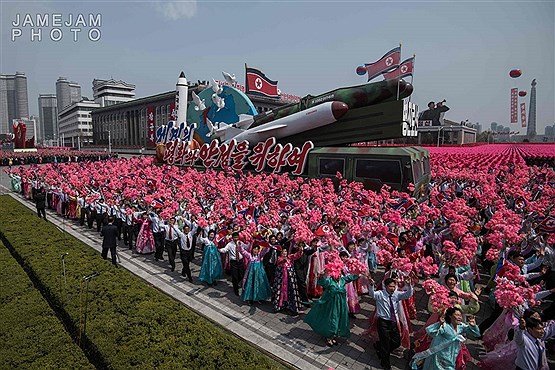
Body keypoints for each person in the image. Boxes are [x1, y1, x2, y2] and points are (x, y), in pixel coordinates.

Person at [303, 269, 359, 347]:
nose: (339, 276)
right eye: (337, 275)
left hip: (341, 304)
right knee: (332, 319)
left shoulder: (343, 280)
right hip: (331, 304)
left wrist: (359, 272)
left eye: (339, 274)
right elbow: (322, 282)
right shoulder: (329, 281)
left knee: (338, 319)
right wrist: (321, 276)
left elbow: (351, 277)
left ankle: (333, 335)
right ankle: (328, 336)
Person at [411, 307, 480, 370]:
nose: (460, 317)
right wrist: (439, 324)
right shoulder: (445, 326)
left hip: (452, 353)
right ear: (450, 316)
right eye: (457, 315)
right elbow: (430, 331)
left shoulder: (461, 326)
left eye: (460, 315)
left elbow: (476, 334)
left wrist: (473, 326)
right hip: (439, 353)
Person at [369, 277, 414, 370]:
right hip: (383, 322)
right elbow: (372, 294)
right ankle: (385, 364)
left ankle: (380, 347)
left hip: (393, 322)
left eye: (394, 286)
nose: (392, 288)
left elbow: (408, 295)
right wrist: (371, 285)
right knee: (386, 344)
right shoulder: (380, 294)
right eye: (390, 286)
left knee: (396, 342)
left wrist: (409, 285)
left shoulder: (397, 295)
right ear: (385, 286)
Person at [272, 247, 304, 314]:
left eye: (285, 251)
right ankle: (279, 306)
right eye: (283, 252)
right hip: (281, 281)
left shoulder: (290, 257)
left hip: (289, 280)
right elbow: (280, 262)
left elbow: (296, 255)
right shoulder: (279, 258)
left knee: (290, 292)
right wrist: (284, 260)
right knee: (280, 291)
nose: (284, 253)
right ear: (281, 253)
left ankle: (290, 306)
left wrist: (300, 250)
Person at [218, 232, 245, 296]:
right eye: (234, 237)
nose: (236, 238)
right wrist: (220, 250)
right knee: (235, 276)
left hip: (240, 261)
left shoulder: (240, 243)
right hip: (233, 262)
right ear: (232, 238)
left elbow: (246, 247)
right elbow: (225, 249)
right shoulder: (229, 244)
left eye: (237, 237)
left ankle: (236, 283)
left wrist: (251, 243)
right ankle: (236, 290)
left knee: (241, 275)